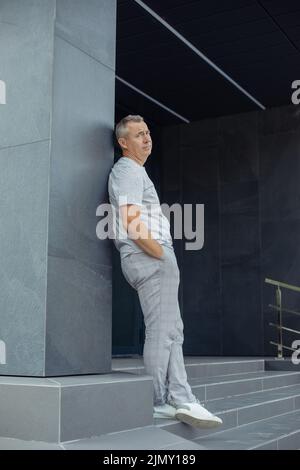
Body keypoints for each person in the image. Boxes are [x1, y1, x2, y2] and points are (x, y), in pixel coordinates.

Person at [108, 115, 222, 428]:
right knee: (163, 330)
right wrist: (159, 252)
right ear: (123, 142)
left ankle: (178, 397)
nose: (147, 139)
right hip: (149, 256)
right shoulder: (128, 169)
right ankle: (164, 399)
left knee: (172, 330)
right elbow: (130, 216)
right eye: (139, 135)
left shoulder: (136, 171)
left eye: (147, 133)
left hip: (151, 257)